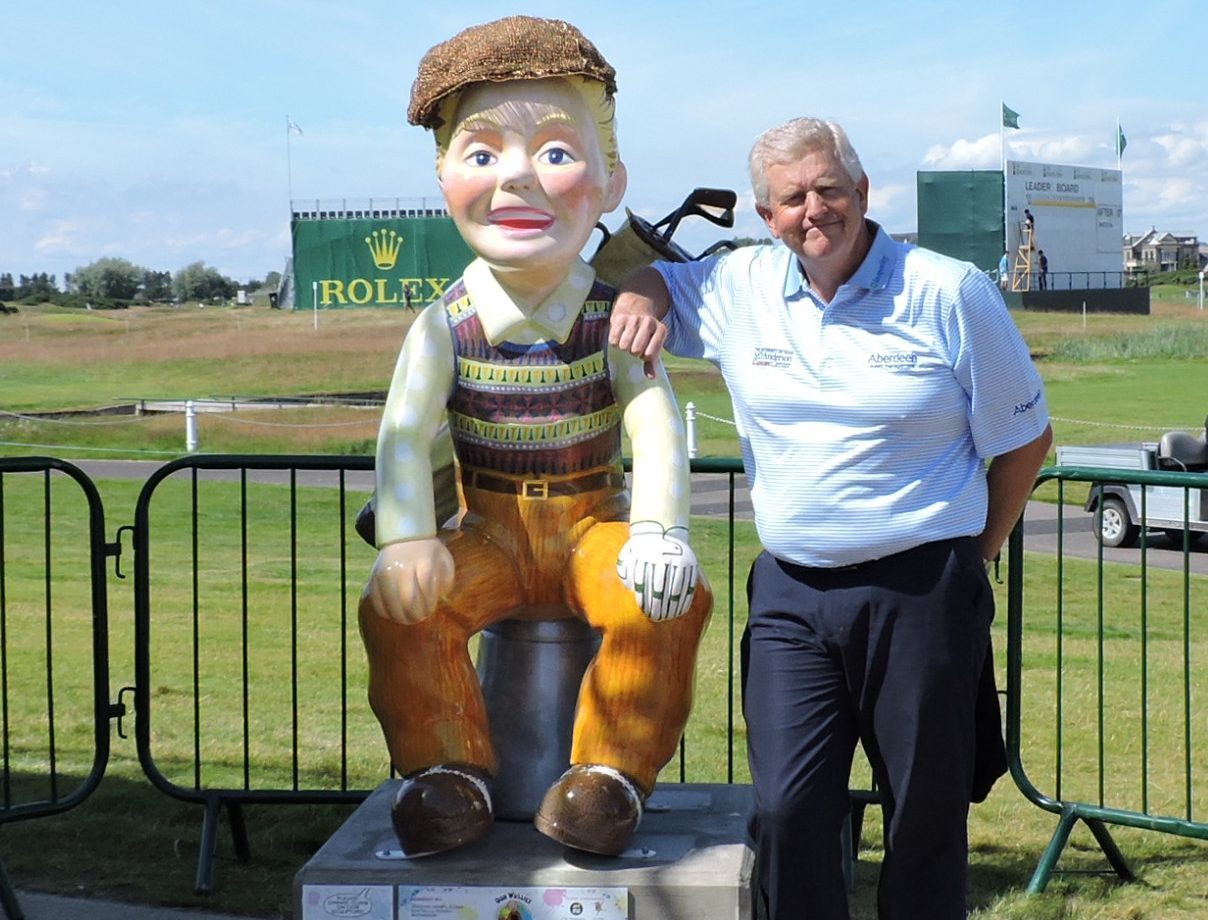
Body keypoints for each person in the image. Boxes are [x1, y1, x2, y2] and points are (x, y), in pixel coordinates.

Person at [610, 116, 1052, 919]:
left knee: (923, 814)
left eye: (828, 189)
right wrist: (642, 292)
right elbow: (656, 280)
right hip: (791, 598)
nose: (813, 210)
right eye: (791, 199)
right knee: (787, 808)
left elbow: (1025, 441)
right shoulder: (740, 284)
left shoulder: (948, 292)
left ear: (863, 193)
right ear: (765, 215)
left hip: (922, 593)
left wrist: (976, 554)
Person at [358, 15, 712, 860]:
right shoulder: (444, 325)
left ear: (610, 179)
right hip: (487, 532)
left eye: (556, 152)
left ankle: (609, 779)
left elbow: (652, 421)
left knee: (662, 601)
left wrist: (660, 531)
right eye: (481, 154)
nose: (517, 180)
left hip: (594, 527)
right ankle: (445, 775)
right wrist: (408, 537)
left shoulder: (613, 315)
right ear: (444, 174)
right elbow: (405, 430)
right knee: (404, 607)